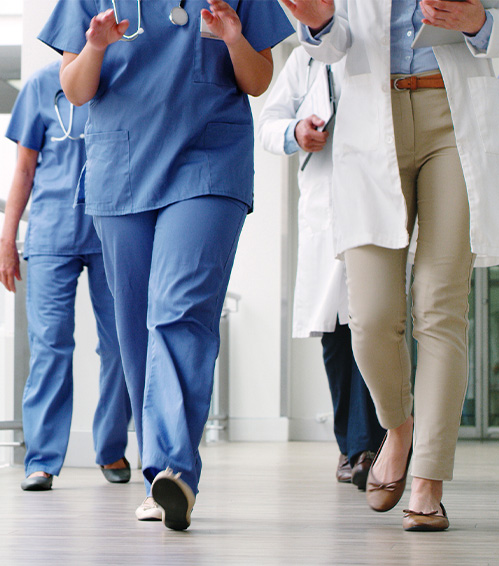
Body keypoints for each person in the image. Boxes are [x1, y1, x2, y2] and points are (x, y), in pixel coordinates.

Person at [38, 0, 294, 530]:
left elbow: (259, 78)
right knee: (133, 332)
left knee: (180, 310)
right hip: (121, 162)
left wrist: (233, 39)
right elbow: (76, 89)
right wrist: (95, 47)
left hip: (208, 161)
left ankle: (173, 469)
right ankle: (162, 474)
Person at [282, 0, 499, 531]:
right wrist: (317, 22)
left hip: (455, 112)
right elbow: (331, 49)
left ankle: (428, 479)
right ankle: (397, 429)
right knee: (372, 316)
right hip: (368, 119)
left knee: (439, 304)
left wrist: (479, 22)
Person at [0, 61, 132, 491]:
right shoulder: (40, 86)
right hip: (50, 233)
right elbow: (23, 170)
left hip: (111, 225)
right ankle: (40, 459)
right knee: (50, 345)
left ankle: (111, 446)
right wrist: (7, 239)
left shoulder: (120, 76)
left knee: (119, 345)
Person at [258, 46, 385, 491]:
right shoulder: (305, 61)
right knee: (336, 335)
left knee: (372, 324)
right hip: (326, 208)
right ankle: (354, 446)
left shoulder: (379, 44)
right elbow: (268, 126)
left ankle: (368, 446)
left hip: (376, 201)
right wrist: (296, 131)